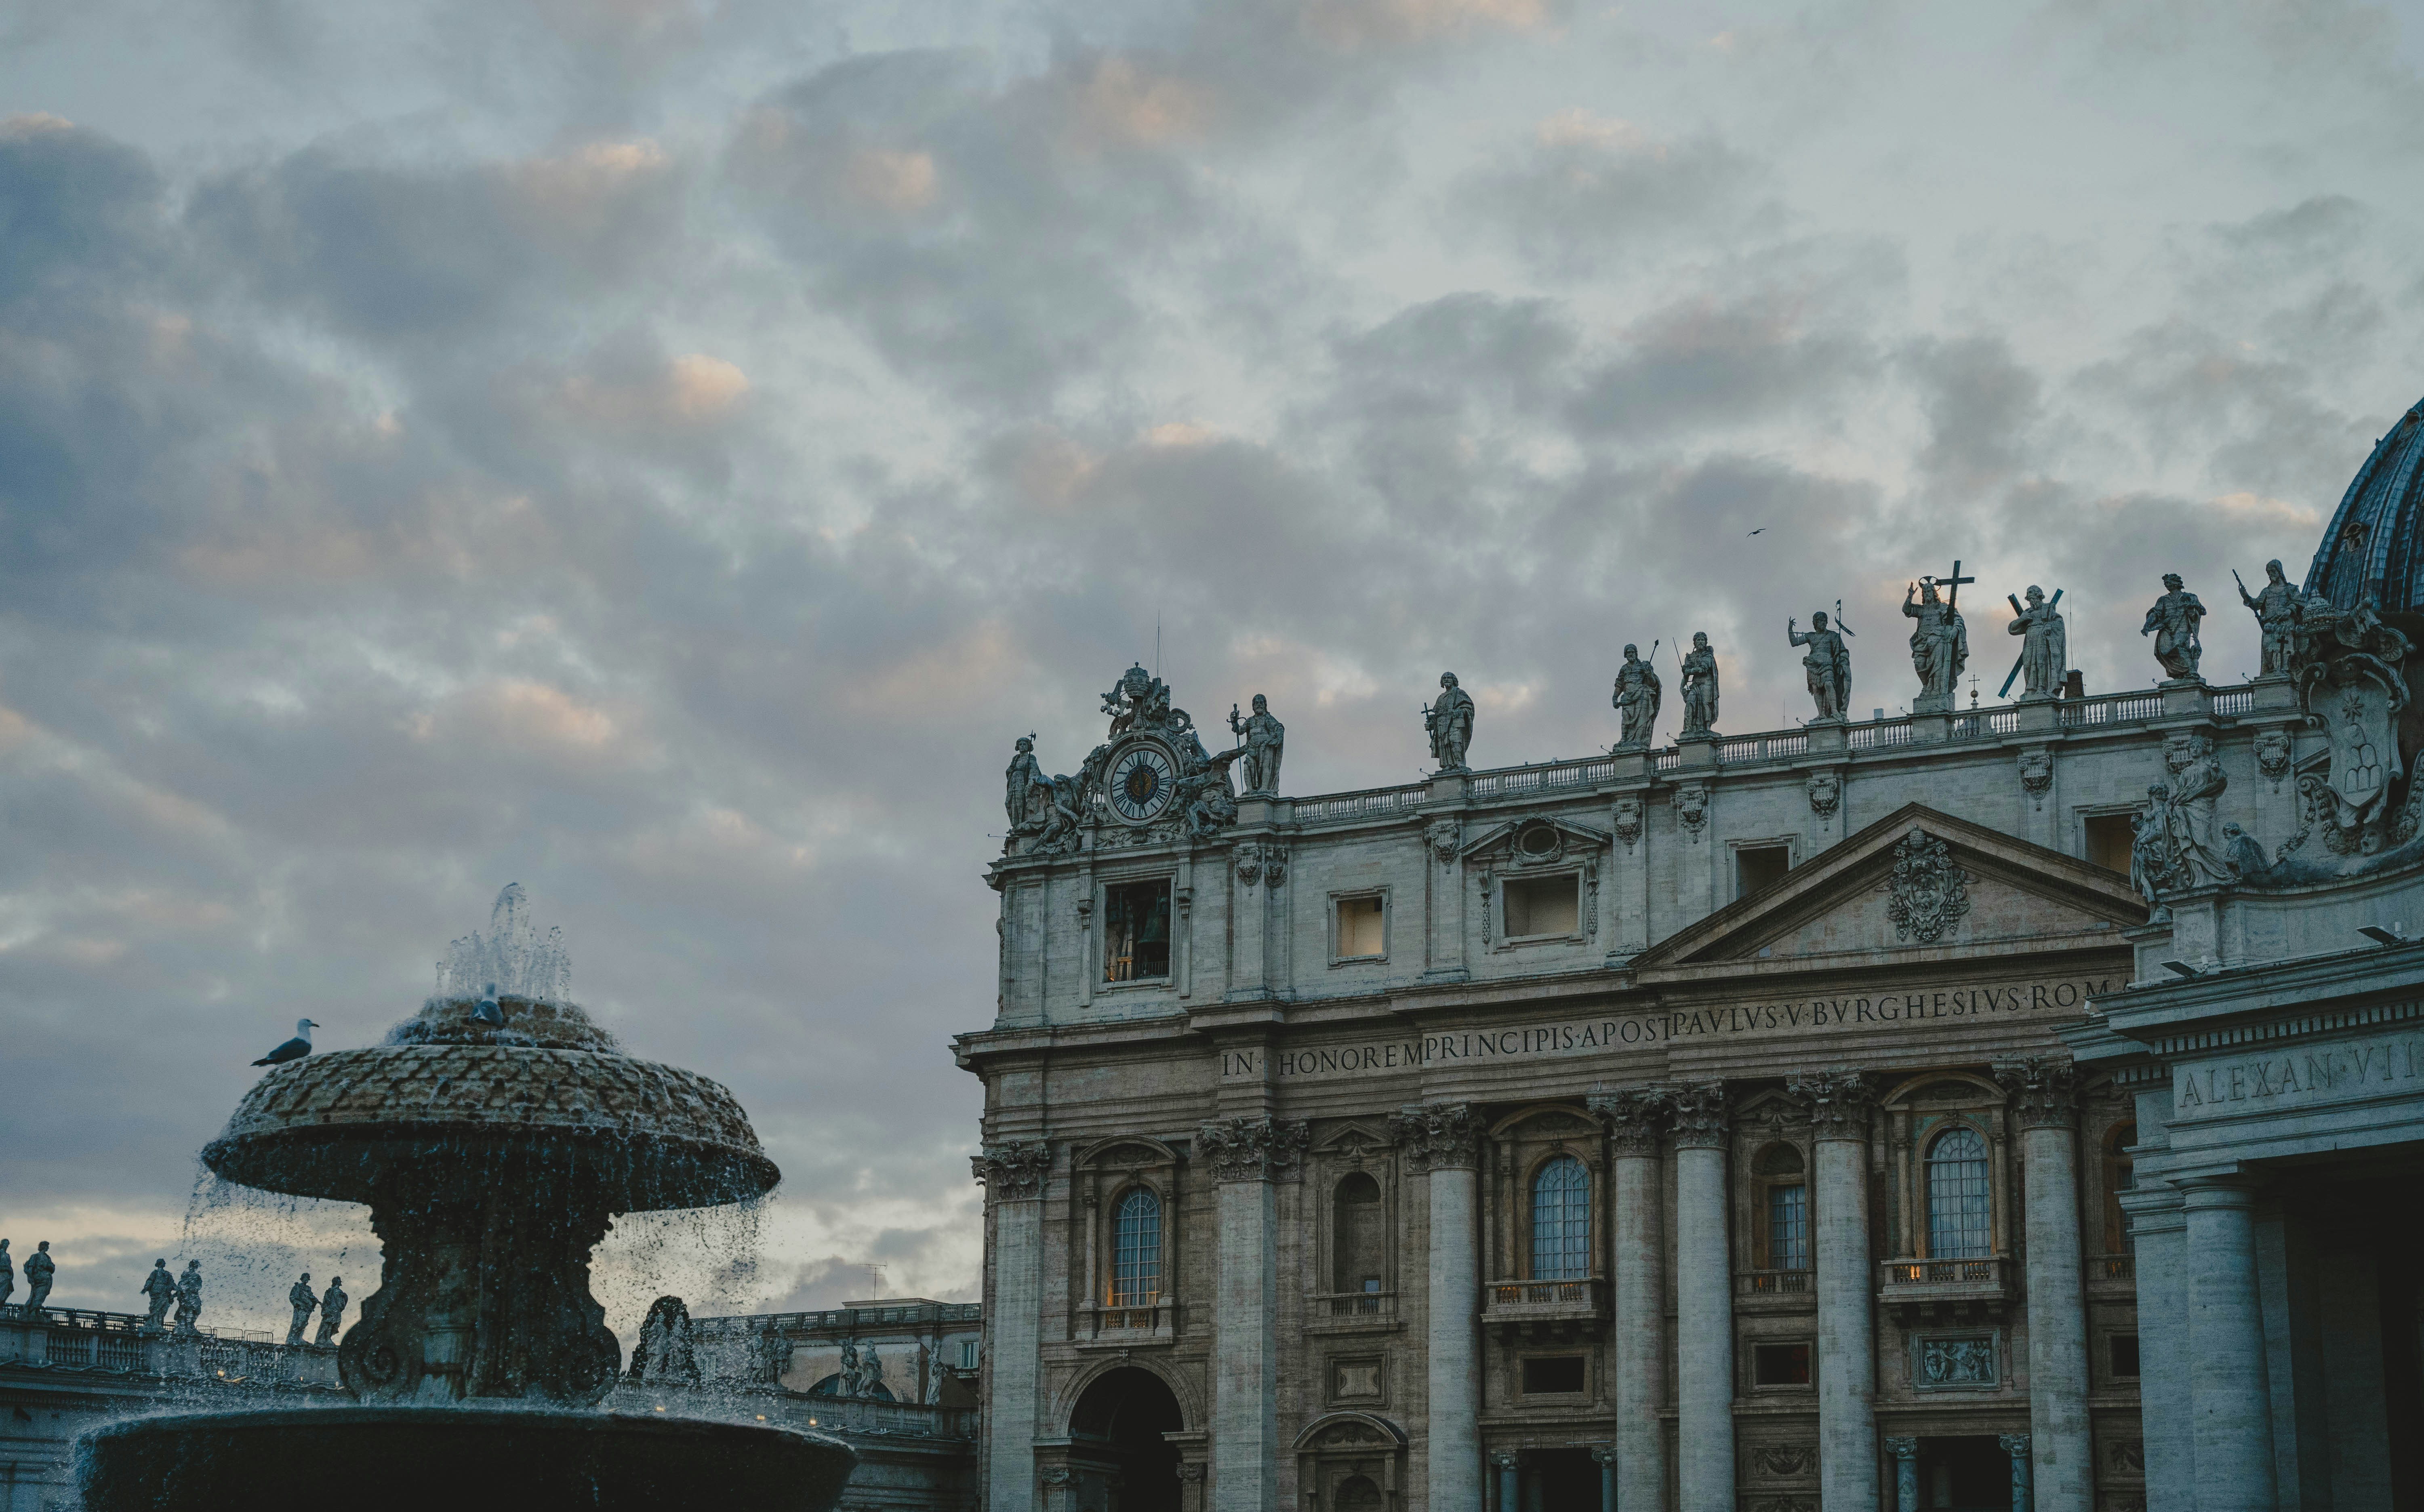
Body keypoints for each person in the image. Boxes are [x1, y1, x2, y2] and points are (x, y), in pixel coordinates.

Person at [1903, 579, 1968, 707]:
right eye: (1925, 592)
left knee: (1938, 665)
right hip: (1921, 643)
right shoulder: (1921, 610)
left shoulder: (1943, 608)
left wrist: (1955, 630)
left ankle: (1936, 690)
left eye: (1929, 591)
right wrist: (1910, 596)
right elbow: (1906, 610)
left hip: (1939, 640)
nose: (1927, 593)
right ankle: (1926, 686)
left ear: (1934, 593)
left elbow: (1958, 620)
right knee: (1919, 663)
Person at [2237, 559, 2301, 675]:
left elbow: (2299, 601)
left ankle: (2284, 671)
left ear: (2279, 571)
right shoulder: (2266, 591)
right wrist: (2245, 595)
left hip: (2285, 624)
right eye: (2269, 572)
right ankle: (2272, 671)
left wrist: (2289, 610)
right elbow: (2256, 604)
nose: (2271, 574)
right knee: (2268, 647)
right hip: (2270, 626)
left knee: (2284, 648)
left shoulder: (2290, 589)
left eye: (2273, 571)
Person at [2006, 586, 2067, 701]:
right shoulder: (2027, 612)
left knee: (2041, 663)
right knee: (2028, 664)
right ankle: (2030, 689)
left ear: (2039, 596)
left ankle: (2041, 688)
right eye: (2029, 599)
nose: (2031, 601)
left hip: (2043, 639)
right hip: (2030, 639)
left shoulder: (2048, 609)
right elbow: (2012, 629)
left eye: (2033, 598)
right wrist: (2022, 619)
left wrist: (2049, 626)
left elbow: (2059, 623)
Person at [2141, 573, 2206, 680]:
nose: (2167, 585)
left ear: (2176, 583)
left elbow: (2203, 611)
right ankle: (2179, 673)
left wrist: (2193, 606)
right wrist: (2147, 625)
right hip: (2166, 627)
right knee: (2162, 651)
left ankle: (2191, 670)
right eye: (2165, 583)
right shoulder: (2163, 600)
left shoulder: (2190, 597)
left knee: (2178, 647)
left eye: (2169, 582)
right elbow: (2156, 613)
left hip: (2182, 626)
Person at [1788, 613, 1851, 722]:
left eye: (1825, 621)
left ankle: (1835, 711)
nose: (1823, 623)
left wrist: (1842, 662)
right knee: (1816, 689)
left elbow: (1842, 651)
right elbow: (1795, 643)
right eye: (1820, 621)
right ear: (1815, 623)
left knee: (1829, 685)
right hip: (1812, 665)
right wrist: (1790, 629)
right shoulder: (1810, 636)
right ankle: (1821, 714)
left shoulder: (1833, 635)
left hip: (1827, 664)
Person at [1228, 695, 1285, 795]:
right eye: (1256, 703)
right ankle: (1249, 789)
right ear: (1253, 706)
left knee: (1265, 766)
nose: (1259, 705)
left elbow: (1278, 727)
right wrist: (1234, 722)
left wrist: (1279, 735)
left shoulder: (1268, 718)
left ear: (1265, 705)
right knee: (1247, 766)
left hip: (1266, 746)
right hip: (1252, 748)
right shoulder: (1250, 720)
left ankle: (1264, 788)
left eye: (1261, 703)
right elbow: (1240, 730)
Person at [1611, 644, 1662, 749]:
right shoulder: (1624, 669)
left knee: (1642, 718)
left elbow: (1653, 684)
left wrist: (1649, 675)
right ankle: (1624, 740)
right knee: (1626, 717)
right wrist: (1615, 697)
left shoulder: (1643, 666)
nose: (1631, 654)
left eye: (1633, 652)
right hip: (1628, 697)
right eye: (1629, 652)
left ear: (1636, 654)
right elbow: (1620, 684)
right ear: (1625, 655)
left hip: (1642, 695)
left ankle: (1639, 740)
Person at [1425, 673, 1475, 771]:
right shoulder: (1441, 698)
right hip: (1442, 725)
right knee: (1444, 744)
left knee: (1455, 741)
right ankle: (1448, 765)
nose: (1446, 679)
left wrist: (1460, 711)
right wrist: (1431, 725)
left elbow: (1469, 708)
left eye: (1449, 678)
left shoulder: (1460, 693)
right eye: (1444, 678)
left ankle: (1459, 762)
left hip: (1455, 722)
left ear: (1454, 680)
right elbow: (1438, 715)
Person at [1679, 633, 1720, 736]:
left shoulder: (1708, 656)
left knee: (1706, 704)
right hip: (1696, 684)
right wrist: (1682, 686)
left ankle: (1707, 727)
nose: (1701, 642)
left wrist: (1690, 670)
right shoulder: (1690, 657)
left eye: (1703, 640)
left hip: (1707, 683)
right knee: (1690, 701)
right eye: (1699, 640)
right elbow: (1686, 675)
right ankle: (1689, 727)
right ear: (1695, 643)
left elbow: (1702, 670)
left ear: (1706, 643)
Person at [141, 1259, 176, 1331]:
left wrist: (178, 1289)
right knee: (156, 1308)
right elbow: (150, 1280)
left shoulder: (167, 1274)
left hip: (164, 1293)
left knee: (163, 1308)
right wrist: (146, 1288)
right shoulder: (155, 1273)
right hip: (156, 1293)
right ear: (160, 1264)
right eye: (164, 1262)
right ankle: (155, 1323)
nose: (165, 1263)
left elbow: (172, 1283)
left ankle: (158, 1323)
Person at [286, 1272, 319, 1347]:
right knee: (299, 1322)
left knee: (304, 1323)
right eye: (305, 1278)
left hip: (308, 1309)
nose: (306, 1279)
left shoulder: (308, 1288)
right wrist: (298, 1304)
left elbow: (312, 1297)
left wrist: (317, 1301)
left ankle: (299, 1338)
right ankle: (293, 1339)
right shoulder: (297, 1287)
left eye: (307, 1278)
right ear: (302, 1279)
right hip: (301, 1308)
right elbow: (292, 1297)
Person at [173, 1260, 203, 1336]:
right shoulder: (186, 1275)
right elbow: (181, 1285)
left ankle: (190, 1326)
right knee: (189, 1312)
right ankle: (188, 1327)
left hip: (194, 1297)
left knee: (197, 1311)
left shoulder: (197, 1277)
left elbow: (199, 1287)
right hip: (187, 1297)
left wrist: (190, 1287)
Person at [315, 1276, 347, 1346]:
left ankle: (328, 1338)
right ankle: (327, 1339)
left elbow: (342, 1303)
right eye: (339, 1281)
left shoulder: (340, 1292)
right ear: (336, 1282)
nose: (340, 1282)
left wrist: (345, 1297)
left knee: (336, 1324)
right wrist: (326, 1309)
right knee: (330, 1323)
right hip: (332, 1309)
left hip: (337, 1310)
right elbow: (326, 1301)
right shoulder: (330, 1291)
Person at [21, 1241, 53, 1312]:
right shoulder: (35, 1256)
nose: (48, 1247)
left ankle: (35, 1311)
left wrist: (48, 1266)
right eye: (47, 1246)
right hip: (39, 1279)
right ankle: (31, 1311)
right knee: (38, 1295)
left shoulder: (48, 1257)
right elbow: (30, 1268)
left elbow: (53, 1268)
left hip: (47, 1280)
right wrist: (31, 1279)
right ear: (43, 1246)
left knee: (42, 1296)